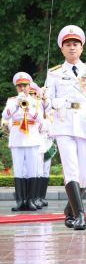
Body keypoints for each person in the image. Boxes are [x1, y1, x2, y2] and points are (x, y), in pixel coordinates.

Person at [44, 25, 86, 230]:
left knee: (84, 174)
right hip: (64, 122)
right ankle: (81, 216)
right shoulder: (54, 73)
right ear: (62, 49)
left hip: (85, 122)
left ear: (82, 47)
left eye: (75, 44)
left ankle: (69, 210)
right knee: (71, 169)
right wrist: (53, 102)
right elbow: (46, 101)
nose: (72, 47)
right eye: (67, 44)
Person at [2, 72, 44, 211]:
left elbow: (40, 119)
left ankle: (30, 200)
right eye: (19, 86)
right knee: (18, 170)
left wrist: (28, 107)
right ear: (16, 87)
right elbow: (5, 115)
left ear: (29, 86)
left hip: (31, 137)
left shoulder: (35, 101)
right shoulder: (12, 101)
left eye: (25, 85)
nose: (22, 88)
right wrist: (16, 104)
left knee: (32, 170)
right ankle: (20, 201)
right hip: (17, 138)